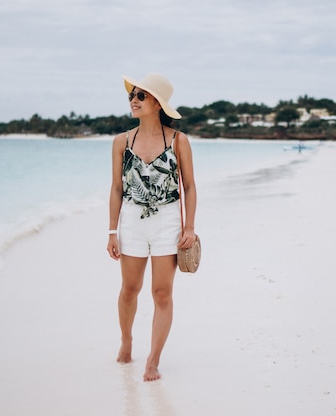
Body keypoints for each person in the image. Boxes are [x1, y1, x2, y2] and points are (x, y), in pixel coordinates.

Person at [107, 73, 197, 381]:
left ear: (157, 103)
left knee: (161, 293)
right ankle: (126, 340)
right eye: (132, 95)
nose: (134, 100)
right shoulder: (121, 142)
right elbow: (116, 189)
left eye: (141, 96)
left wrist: (189, 228)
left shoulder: (178, 140)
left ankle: (153, 360)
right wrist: (111, 231)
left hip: (168, 222)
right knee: (130, 290)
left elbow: (189, 187)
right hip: (131, 222)